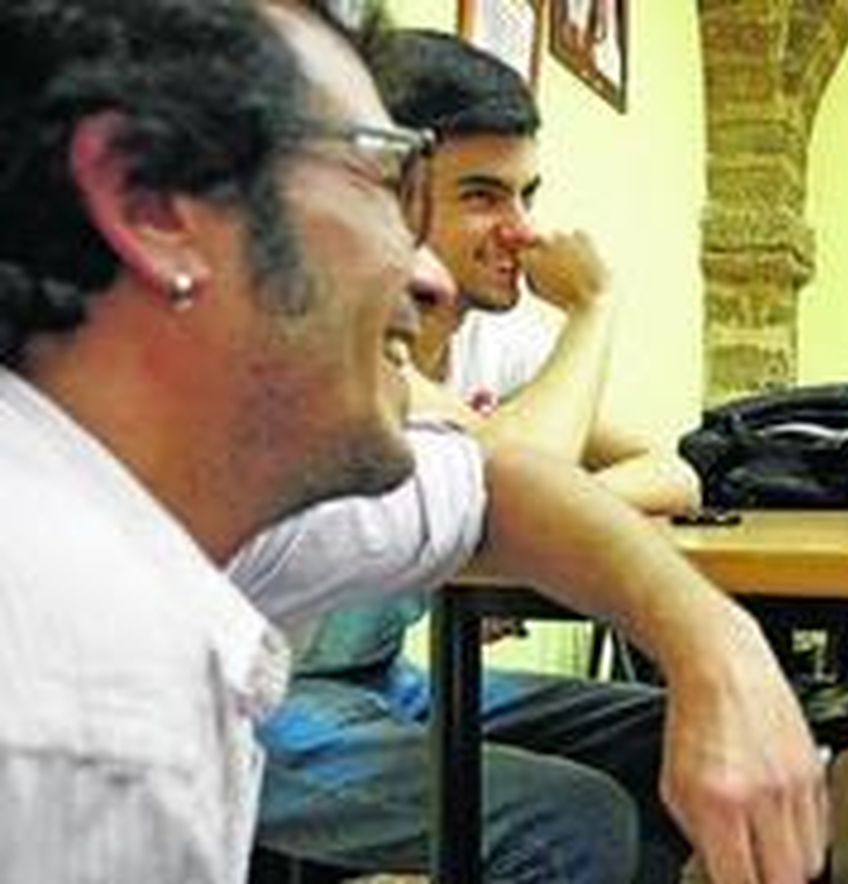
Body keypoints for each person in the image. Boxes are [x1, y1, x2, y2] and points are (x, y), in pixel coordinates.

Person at [247, 28, 776, 884]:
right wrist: (595, 311)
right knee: (573, 819)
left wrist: (545, 523)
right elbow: (499, 484)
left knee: (665, 730)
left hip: (383, 677)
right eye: (483, 196)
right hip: (269, 700)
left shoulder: (500, 345)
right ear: (386, 190)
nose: (522, 231)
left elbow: (674, 471)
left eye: (528, 194)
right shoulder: (342, 334)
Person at [0, 1, 428, 879]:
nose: (431, 276)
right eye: (382, 178)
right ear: (150, 203)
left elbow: (485, 488)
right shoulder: (95, 721)